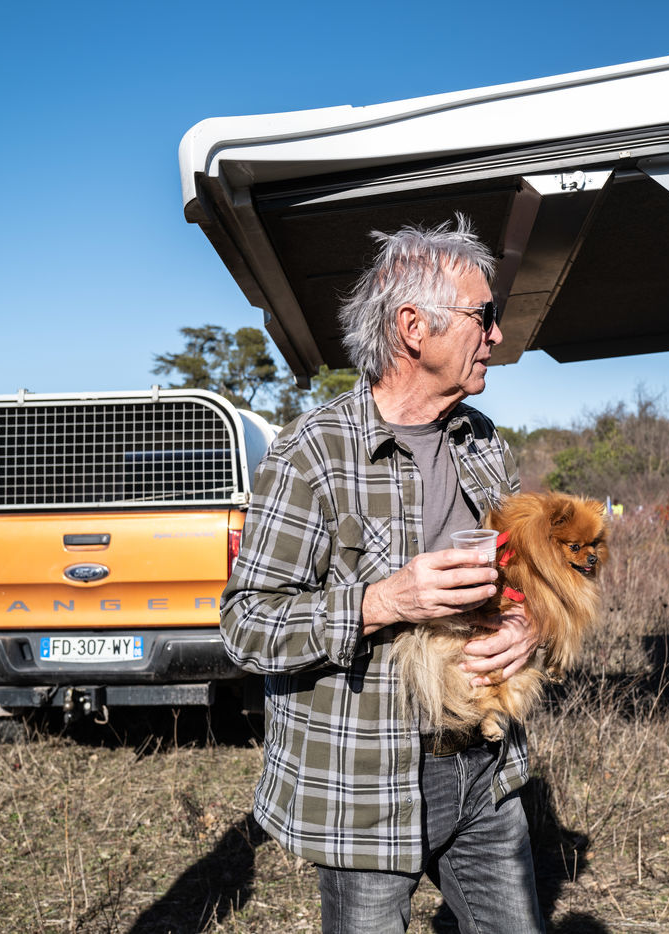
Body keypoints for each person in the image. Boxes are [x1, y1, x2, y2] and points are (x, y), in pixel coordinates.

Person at [221, 215, 545, 933]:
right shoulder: (312, 454)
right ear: (413, 328)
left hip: (488, 767)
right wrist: (383, 601)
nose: (497, 335)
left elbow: (525, 581)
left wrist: (528, 624)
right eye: (483, 316)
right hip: (366, 785)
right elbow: (246, 627)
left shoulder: (484, 444)